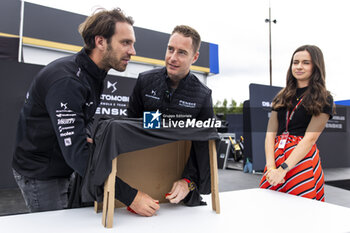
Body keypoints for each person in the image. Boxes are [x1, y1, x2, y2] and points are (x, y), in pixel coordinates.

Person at [11, 8, 146, 212]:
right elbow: (77, 154)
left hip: (64, 167)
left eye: (132, 43)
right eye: (125, 42)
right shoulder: (67, 82)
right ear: (100, 42)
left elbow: (84, 119)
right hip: (41, 174)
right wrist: (131, 196)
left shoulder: (94, 75)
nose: (132, 51)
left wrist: (88, 134)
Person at [127, 25, 214, 213]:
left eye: (182, 52)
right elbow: (127, 129)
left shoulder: (203, 95)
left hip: (178, 186)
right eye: (170, 49)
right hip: (140, 177)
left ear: (195, 57)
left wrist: (189, 182)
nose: (173, 58)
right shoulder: (144, 81)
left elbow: (203, 146)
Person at [259, 45, 334, 201]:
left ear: (316, 66)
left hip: (301, 160)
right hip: (276, 158)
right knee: (270, 205)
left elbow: (310, 139)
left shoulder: (323, 97)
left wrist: (283, 169)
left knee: (301, 210)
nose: (299, 66)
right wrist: (272, 167)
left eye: (306, 62)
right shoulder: (281, 96)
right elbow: (270, 135)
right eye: (295, 62)